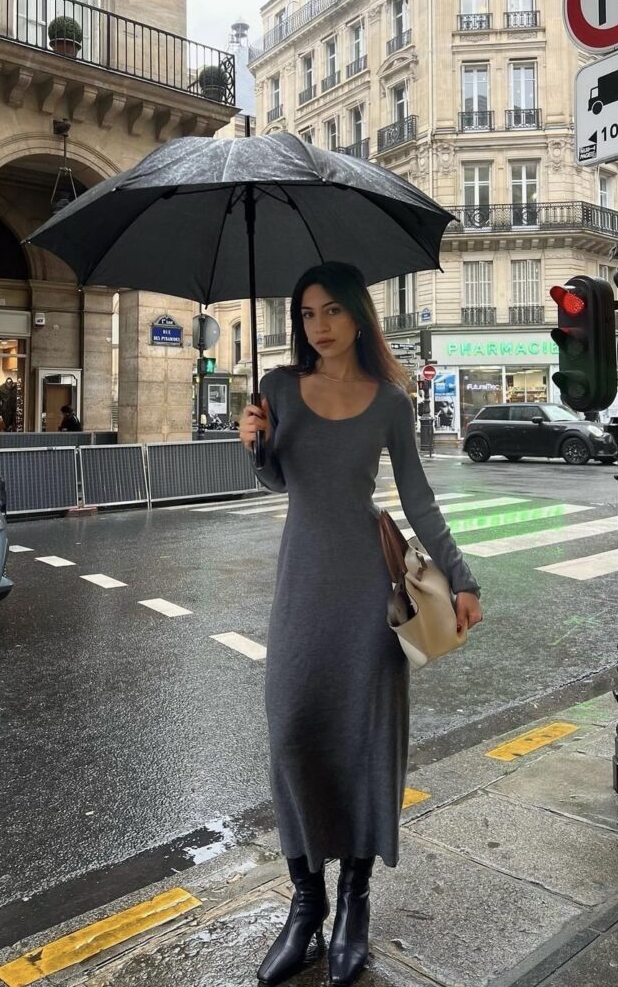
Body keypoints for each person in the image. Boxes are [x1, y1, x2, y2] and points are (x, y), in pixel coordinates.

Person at [239, 262, 483, 987]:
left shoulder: (388, 404)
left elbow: (418, 498)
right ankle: (304, 905)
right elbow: (279, 481)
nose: (319, 324)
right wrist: (254, 443)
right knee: (291, 732)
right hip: (301, 586)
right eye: (307, 312)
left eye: (332, 311)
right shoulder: (277, 389)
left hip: (367, 593)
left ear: (356, 318)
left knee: (361, 744)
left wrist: (461, 579)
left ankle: (353, 903)